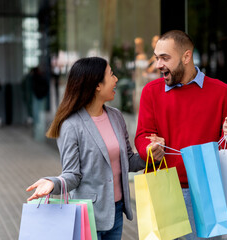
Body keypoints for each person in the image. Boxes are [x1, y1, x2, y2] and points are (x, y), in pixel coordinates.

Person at [134, 30, 227, 240]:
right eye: (157, 57)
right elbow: (142, 136)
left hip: (207, 192)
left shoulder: (221, 92)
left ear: (186, 57)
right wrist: (149, 148)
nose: (158, 65)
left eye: (165, 58)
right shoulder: (151, 92)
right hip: (164, 188)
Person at [26, 57, 152, 240]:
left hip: (116, 212)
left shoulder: (116, 117)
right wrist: (53, 182)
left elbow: (129, 162)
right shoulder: (71, 125)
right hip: (87, 214)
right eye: (111, 75)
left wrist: (150, 155)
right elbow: (72, 175)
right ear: (97, 85)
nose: (116, 79)